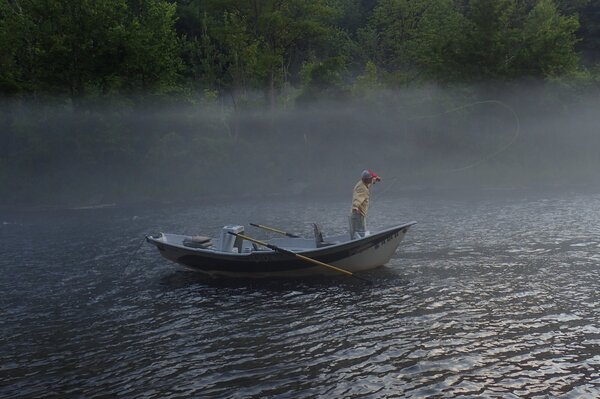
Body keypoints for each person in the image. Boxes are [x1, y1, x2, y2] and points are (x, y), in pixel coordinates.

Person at [350, 169, 381, 239]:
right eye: (370, 178)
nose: (371, 179)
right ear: (367, 179)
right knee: (360, 235)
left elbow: (370, 182)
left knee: (360, 234)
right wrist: (355, 207)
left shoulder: (364, 183)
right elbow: (357, 198)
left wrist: (376, 179)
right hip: (358, 215)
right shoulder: (361, 188)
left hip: (360, 215)